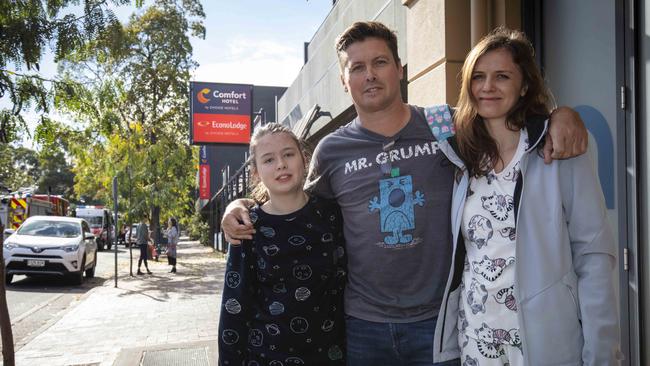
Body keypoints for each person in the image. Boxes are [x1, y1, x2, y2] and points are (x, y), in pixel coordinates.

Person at [222, 21, 587, 365]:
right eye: (357, 67)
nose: (370, 74)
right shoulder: (331, 151)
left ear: (399, 67)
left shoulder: (447, 125)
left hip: (439, 323)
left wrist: (558, 115)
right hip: (362, 326)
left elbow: (509, 121)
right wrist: (242, 205)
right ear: (344, 80)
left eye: (380, 62)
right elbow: (296, 205)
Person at [445, 27, 621, 365]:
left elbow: (594, 255)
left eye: (502, 76)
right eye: (478, 76)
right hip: (476, 341)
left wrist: (602, 352)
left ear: (524, 85)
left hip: (545, 342)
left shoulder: (560, 151)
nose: (487, 87)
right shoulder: (459, 157)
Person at [217, 123, 347, 365]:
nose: (280, 164)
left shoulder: (332, 214)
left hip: (330, 356)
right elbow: (234, 309)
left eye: (288, 154)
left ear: (304, 159)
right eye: (268, 160)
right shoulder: (247, 227)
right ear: (255, 172)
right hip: (267, 357)